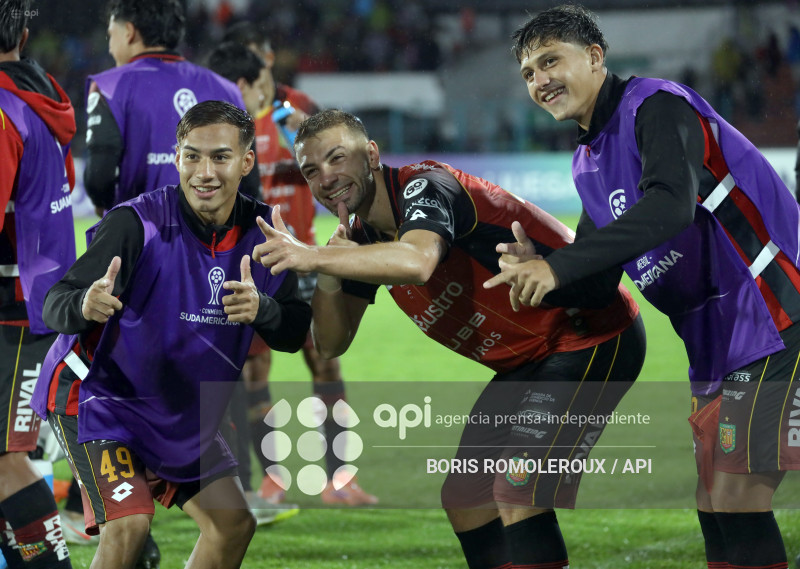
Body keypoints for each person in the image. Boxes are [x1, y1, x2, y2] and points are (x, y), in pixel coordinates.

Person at [253, 109, 646, 569]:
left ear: (372, 154)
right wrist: (327, 272)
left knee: (518, 486)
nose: (326, 178)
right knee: (464, 495)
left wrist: (316, 255)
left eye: (337, 158)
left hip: (590, 333)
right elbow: (331, 342)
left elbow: (418, 261)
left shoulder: (426, 186)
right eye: (311, 171)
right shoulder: (360, 237)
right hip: (528, 361)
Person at [488, 5, 800, 569]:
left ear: (595, 57)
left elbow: (669, 205)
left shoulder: (655, 106)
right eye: (528, 73)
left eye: (550, 60)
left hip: (777, 310)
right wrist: (541, 279)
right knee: (712, 497)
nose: (540, 81)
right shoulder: (587, 163)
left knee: (736, 497)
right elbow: (598, 279)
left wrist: (558, 268)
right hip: (715, 342)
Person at [30, 100, 311, 569]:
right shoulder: (135, 223)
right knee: (128, 527)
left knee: (232, 525)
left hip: (180, 409)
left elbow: (296, 331)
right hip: (100, 399)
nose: (204, 171)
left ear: (246, 161)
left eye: (220, 157)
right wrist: (83, 305)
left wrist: (264, 310)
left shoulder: (266, 236)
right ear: (176, 156)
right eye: (192, 156)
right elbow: (56, 300)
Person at [215, 28, 376, 505]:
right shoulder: (226, 132)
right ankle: (274, 478)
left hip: (307, 257)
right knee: (254, 373)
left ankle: (340, 479)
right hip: (257, 262)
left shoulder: (293, 114)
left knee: (325, 361)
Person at [0, 1, 75, 567]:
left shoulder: (4, 111)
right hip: (35, 298)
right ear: (23, 35)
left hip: (11, 305)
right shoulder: (42, 100)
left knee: (5, 460)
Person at [83, 0, 259, 216]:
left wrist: (105, 206)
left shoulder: (109, 88)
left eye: (111, 35)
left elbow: (99, 179)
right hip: (213, 243)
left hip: (142, 237)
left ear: (129, 32)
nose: (110, 47)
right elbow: (249, 181)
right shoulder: (227, 89)